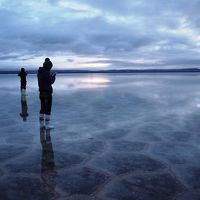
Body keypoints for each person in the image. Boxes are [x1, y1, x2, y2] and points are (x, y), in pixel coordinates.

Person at [37, 58, 56, 129]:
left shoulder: (40, 71)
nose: (51, 68)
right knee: (48, 109)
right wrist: (53, 76)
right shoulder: (46, 72)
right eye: (50, 67)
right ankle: (47, 125)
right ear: (49, 66)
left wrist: (50, 75)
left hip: (41, 92)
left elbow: (46, 81)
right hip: (47, 93)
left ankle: (41, 124)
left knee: (42, 108)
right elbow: (51, 82)